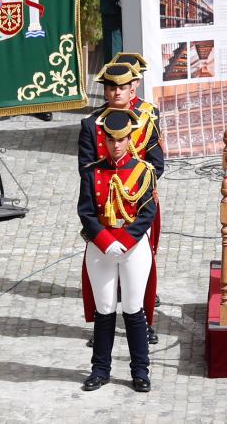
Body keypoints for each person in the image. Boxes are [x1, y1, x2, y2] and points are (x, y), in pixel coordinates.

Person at [79, 62, 164, 344]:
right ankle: (101, 326)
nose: (116, 93)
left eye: (122, 88)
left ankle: (143, 322)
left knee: (143, 269)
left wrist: (136, 188)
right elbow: (86, 168)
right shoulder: (91, 125)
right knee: (99, 275)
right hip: (103, 206)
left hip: (136, 204)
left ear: (132, 89)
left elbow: (156, 163)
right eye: (111, 87)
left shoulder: (147, 119)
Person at [78, 109, 157, 392]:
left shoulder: (143, 171)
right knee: (105, 310)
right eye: (111, 140)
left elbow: (148, 212)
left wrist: (124, 239)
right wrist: (105, 241)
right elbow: (85, 212)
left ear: (129, 138)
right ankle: (100, 370)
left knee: (134, 310)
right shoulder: (93, 172)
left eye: (121, 139)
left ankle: (140, 371)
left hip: (133, 246)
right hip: (101, 247)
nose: (116, 145)